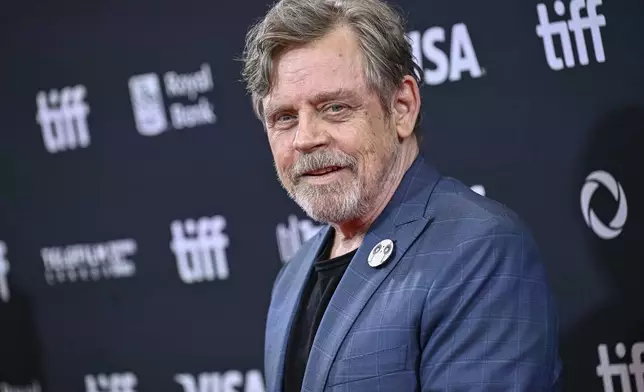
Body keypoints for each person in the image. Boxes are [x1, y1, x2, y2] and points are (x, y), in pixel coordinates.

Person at [240, 0, 562, 390]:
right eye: (285, 118)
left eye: (335, 107)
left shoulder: (479, 249)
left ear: (402, 107)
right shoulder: (291, 279)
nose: (306, 138)